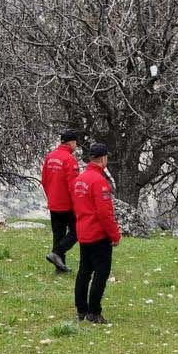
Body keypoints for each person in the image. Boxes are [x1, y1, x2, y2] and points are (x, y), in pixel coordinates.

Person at [71, 143, 120, 324]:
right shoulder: (99, 181)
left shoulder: (79, 180)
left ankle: (81, 309)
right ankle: (94, 311)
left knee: (84, 271)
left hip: (83, 231)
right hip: (98, 234)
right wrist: (114, 235)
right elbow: (104, 213)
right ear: (104, 158)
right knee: (101, 272)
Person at [41, 129, 83, 273]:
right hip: (67, 204)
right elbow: (73, 185)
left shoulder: (50, 157)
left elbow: (44, 180)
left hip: (54, 203)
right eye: (75, 143)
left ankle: (60, 268)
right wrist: (78, 204)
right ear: (72, 142)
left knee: (58, 234)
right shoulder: (70, 160)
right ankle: (57, 253)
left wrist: (51, 197)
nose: (76, 145)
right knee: (77, 231)